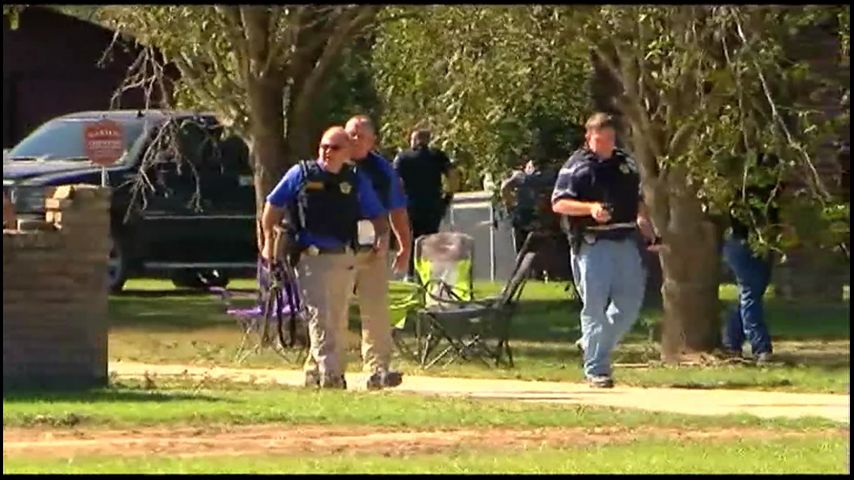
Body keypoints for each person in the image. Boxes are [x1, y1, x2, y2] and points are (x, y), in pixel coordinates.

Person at [260, 126, 389, 389]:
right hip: (311, 258)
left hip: (344, 256)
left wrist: (381, 238)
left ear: (347, 152)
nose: (327, 152)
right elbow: (272, 206)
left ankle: (313, 371)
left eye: (335, 147)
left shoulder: (355, 179)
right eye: (324, 147)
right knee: (320, 315)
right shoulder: (301, 174)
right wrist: (268, 243)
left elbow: (377, 214)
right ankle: (331, 374)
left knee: (337, 319)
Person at [551, 112, 658, 388]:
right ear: (589, 137)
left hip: (625, 239)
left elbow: (638, 200)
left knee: (629, 305)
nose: (607, 143)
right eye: (601, 138)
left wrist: (646, 225)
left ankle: (591, 343)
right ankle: (597, 369)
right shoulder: (576, 166)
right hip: (593, 243)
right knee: (595, 307)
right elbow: (559, 203)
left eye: (611, 138)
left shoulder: (625, 163)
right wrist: (590, 209)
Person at [344, 115, 410, 389]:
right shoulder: (332, 163)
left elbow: (397, 209)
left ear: (372, 141)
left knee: (376, 309)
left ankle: (377, 369)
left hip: (373, 246)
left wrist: (404, 246)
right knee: (330, 310)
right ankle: (322, 368)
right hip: (336, 246)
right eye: (350, 133)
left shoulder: (382, 171)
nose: (354, 139)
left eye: (360, 135)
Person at [722, 152, 781, 364]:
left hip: (761, 244)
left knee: (750, 294)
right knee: (750, 294)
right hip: (742, 242)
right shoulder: (743, 187)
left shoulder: (772, 189)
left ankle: (731, 341)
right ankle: (761, 347)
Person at [393, 128, 460, 275]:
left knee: (411, 238)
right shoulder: (437, 156)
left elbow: (394, 181)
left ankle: (411, 273)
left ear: (415, 140)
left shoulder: (403, 157)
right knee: (431, 239)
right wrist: (448, 196)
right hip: (433, 205)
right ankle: (429, 272)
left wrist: (397, 200)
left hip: (410, 205)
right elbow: (453, 175)